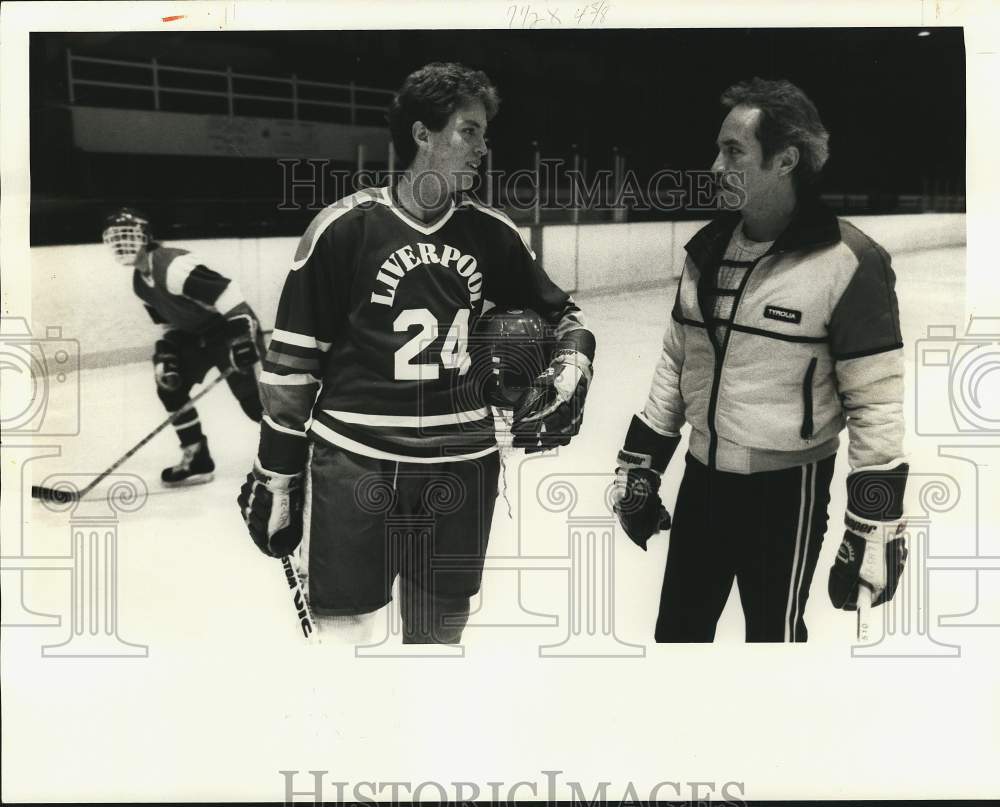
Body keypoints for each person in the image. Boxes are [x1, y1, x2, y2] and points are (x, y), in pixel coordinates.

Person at [237, 62, 595, 644]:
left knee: (439, 638)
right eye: (468, 131)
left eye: (484, 134)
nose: (482, 148)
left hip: (463, 461)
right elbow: (292, 368)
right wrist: (277, 474)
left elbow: (565, 318)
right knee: (344, 639)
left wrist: (571, 365)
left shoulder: (493, 232)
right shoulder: (344, 229)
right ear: (422, 134)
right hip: (356, 457)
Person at [613, 78, 908, 642]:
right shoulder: (706, 251)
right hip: (702, 481)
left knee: (774, 641)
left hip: (786, 493)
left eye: (734, 151)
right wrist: (641, 463)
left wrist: (875, 522)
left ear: (785, 160)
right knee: (677, 635)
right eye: (718, 149)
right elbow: (677, 362)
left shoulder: (850, 261)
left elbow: (876, 401)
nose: (715, 166)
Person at [103, 208, 264, 485]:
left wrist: (241, 340)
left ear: (146, 237)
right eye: (115, 238)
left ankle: (299, 452)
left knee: (255, 403)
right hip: (196, 336)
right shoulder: (140, 284)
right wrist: (168, 352)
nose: (122, 243)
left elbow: (228, 293)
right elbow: (169, 325)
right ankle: (197, 457)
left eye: (127, 235)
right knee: (169, 386)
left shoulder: (173, 266)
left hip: (228, 328)